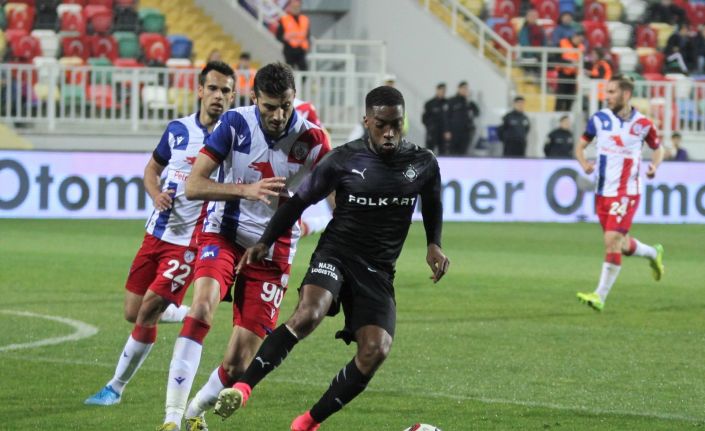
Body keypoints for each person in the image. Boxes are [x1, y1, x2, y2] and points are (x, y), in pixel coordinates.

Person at [212, 85, 450, 431]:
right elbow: (298, 202)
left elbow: (433, 202)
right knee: (310, 313)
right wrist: (266, 241)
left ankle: (307, 423)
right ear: (366, 122)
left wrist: (434, 244)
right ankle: (244, 388)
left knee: (376, 350)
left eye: (396, 125)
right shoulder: (342, 160)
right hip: (336, 253)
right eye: (381, 125)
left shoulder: (422, 162)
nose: (389, 132)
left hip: (378, 269)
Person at [157, 62, 330, 431]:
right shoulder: (235, 123)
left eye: (286, 106)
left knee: (238, 365)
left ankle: (193, 411)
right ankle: (171, 418)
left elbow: (338, 199)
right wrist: (245, 190)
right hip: (224, 234)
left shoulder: (314, 140)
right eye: (269, 107)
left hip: (274, 251)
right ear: (255, 99)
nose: (278, 115)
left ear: (294, 98)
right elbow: (194, 185)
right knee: (202, 307)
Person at [83, 61, 236, 407]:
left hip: (190, 243)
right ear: (200, 90)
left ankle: (115, 388)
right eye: (213, 88)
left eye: (225, 91)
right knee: (132, 310)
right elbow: (151, 169)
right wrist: (155, 194)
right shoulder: (178, 129)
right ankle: (187, 310)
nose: (218, 96)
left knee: (148, 310)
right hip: (156, 233)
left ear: (232, 97)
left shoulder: (232, 140)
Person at [575, 74, 665, 312]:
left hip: (627, 191)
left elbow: (659, 149)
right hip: (602, 192)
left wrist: (654, 166)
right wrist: (583, 163)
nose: (607, 96)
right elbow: (580, 146)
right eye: (607, 92)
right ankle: (652, 253)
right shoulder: (599, 119)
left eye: (612, 92)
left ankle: (599, 296)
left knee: (611, 241)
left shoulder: (643, 124)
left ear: (626, 94)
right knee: (621, 244)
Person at [446, 81, 480, 156]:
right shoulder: (452, 101)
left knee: (463, 153)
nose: (465, 90)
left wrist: (469, 101)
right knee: (452, 153)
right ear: (459, 89)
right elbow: (447, 117)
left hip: (466, 132)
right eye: (463, 88)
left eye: (466, 89)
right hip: (454, 132)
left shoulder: (469, 102)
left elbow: (477, 113)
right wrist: (447, 130)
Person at [276, 0, 310, 71]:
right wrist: (284, 38)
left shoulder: (304, 19)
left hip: (301, 50)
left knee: (304, 70)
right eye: (294, 6)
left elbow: (307, 35)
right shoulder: (285, 19)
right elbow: (278, 35)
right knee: (289, 71)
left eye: (297, 6)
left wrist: (308, 45)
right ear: (290, 7)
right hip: (289, 49)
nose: (295, 8)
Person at [556, 31, 585, 111]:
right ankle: (557, 112)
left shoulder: (581, 47)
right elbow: (556, 58)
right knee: (561, 96)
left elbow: (582, 61)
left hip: (574, 75)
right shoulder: (562, 43)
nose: (580, 42)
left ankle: (568, 112)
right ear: (575, 36)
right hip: (563, 73)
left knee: (570, 97)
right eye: (579, 39)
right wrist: (569, 62)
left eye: (581, 40)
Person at [421, 82, 449, 154]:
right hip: (432, 133)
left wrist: (448, 130)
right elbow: (424, 118)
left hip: (443, 134)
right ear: (437, 90)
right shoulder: (429, 103)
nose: (443, 92)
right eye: (441, 90)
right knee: (429, 153)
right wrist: (430, 127)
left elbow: (449, 119)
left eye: (444, 91)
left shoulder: (447, 103)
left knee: (443, 153)